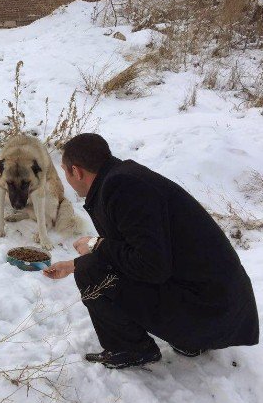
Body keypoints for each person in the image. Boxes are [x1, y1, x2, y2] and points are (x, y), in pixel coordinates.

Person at [43, 133, 259, 369]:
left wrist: (95, 247)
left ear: (76, 171)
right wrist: (73, 263)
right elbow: (132, 248)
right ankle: (188, 337)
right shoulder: (123, 179)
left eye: (64, 171)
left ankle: (131, 349)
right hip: (217, 305)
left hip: (212, 313)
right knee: (90, 265)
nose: (66, 177)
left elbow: (151, 266)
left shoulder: (122, 189)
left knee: (90, 271)